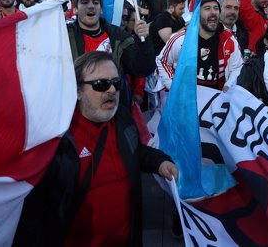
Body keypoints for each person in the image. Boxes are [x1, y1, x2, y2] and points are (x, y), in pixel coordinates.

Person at [14, 52, 177, 246]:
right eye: (100, 84)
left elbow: (134, 150)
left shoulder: (123, 118)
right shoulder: (57, 138)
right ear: (77, 91)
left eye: (116, 83)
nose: (111, 90)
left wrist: (159, 162)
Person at [62, 0, 156, 80]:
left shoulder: (118, 36)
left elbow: (143, 69)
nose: (91, 6)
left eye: (96, 2)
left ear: (101, 9)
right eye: (84, 2)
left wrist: (144, 40)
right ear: (75, 9)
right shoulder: (64, 34)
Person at [157, 0, 242, 92]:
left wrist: (229, 85)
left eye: (216, 8)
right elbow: (162, 61)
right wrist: (173, 87)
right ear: (198, 13)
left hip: (215, 101)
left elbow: (237, 67)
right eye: (207, 8)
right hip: (187, 100)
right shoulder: (181, 39)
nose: (213, 12)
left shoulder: (229, 40)